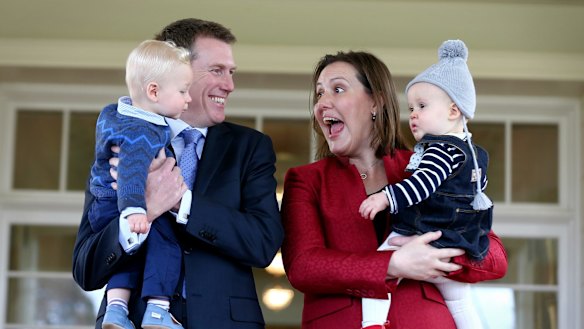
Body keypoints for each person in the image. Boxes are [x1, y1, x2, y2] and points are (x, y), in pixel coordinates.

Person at [73, 18, 284, 329]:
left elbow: (263, 244)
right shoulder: (122, 138)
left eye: (231, 72)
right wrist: (140, 211)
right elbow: (85, 269)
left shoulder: (251, 148)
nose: (229, 84)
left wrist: (180, 202)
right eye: (217, 70)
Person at [280, 50, 507, 329]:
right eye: (318, 94)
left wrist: (434, 256)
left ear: (376, 102)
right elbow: (304, 267)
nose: (322, 104)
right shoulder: (305, 180)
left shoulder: (431, 167)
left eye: (337, 89)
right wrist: (393, 264)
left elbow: (494, 257)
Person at [358, 40, 491, 329]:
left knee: (380, 266)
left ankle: (372, 323)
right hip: (458, 245)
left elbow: (422, 185)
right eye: (411, 108)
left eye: (422, 106)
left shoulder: (440, 150)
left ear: (454, 110)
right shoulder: (474, 153)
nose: (413, 114)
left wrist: (385, 198)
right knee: (461, 303)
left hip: (424, 235)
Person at [88, 39, 193, 329]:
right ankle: (157, 310)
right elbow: (131, 171)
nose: (189, 99)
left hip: (104, 204)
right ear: (154, 91)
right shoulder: (143, 131)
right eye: (183, 91)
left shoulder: (113, 114)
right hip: (127, 204)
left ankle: (117, 309)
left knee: (131, 254)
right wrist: (136, 210)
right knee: (167, 244)